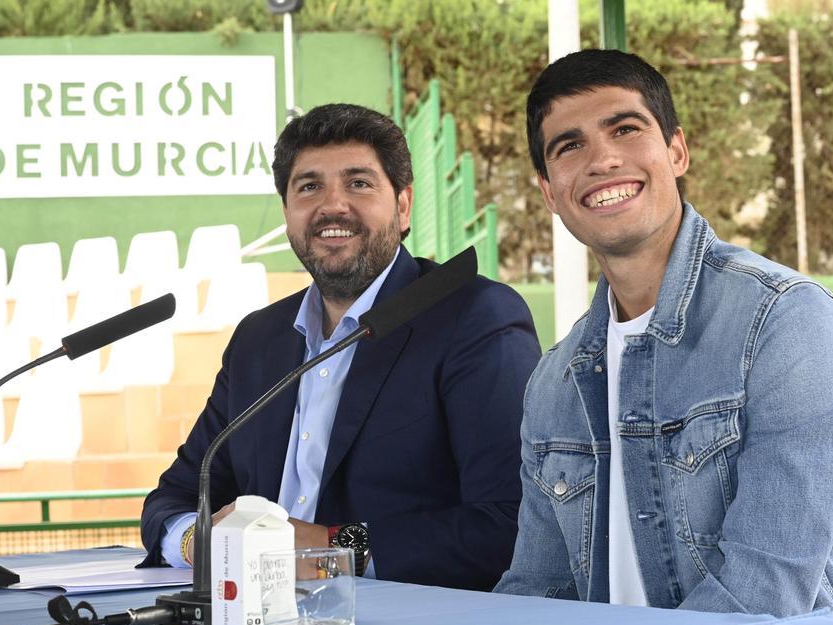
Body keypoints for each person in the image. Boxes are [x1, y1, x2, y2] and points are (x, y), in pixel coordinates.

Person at [493, 50, 833, 625]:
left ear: (676, 151)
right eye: (568, 146)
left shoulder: (786, 322)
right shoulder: (555, 381)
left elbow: (763, 596)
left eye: (625, 129)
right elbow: (536, 592)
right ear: (550, 192)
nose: (602, 159)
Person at [141, 103, 541, 591]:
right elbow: (176, 496)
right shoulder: (259, 338)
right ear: (287, 211)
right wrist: (197, 543)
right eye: (309, 187)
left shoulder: (474, 316)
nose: (333, 205)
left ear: (403, 205)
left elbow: (507, 523)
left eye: (359, 183)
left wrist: (331, 548)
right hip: (245, 623)